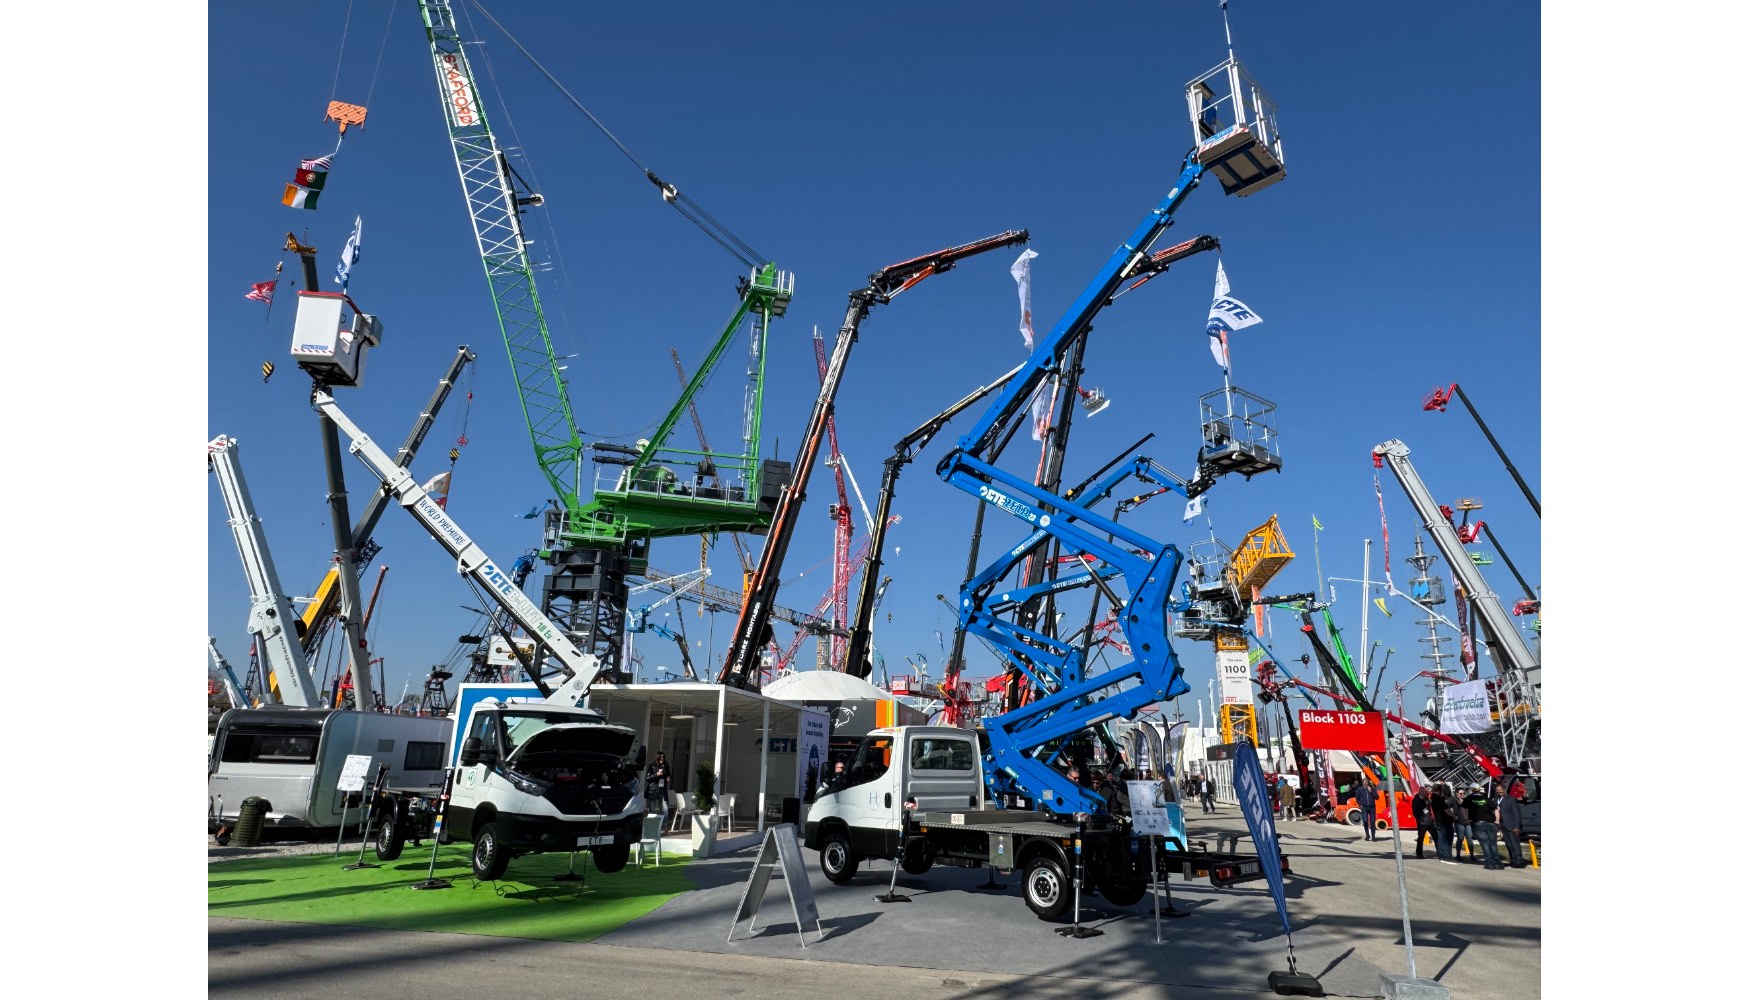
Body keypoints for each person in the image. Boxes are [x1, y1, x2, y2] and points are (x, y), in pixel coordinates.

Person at [1463, 783, 1503, 870]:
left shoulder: (1469, 798)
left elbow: (1463, 809)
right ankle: (1497, 863)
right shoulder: (1486, 798)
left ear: (1471, 789)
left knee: (1485, 844)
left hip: (1478, 824)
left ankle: (1489, 863)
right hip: (1490, 823)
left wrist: (1467, 818)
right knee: (1493, 844)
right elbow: (1496, 809)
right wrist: (1497, 821)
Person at [1496, 780, 1527, 868]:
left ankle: (1519, 862)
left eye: (1501, 790)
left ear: (1504, 790)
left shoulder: (1511, 799)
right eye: (1497, 790)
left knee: (1515, 844)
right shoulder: (1496, 799)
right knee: (1508, 845)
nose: (1499, 792)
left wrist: (1517, 827)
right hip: (1503, 826)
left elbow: (1517, 814)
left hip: (1512, 826)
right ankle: (1513, 860)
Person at [1431, 783, 1458, 863]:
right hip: (1444, 821)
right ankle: (1447, 856)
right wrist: (1454, 816)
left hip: (1438, 821)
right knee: (1447, 839)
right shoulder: (1439, 799)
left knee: (1441, 839)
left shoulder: (1433, 798)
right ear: (1439, 790)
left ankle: (1441, 855)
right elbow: (1446, 810)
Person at [1411, 785, 1436, 859]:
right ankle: (1419, 853)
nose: (1427, 793)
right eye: (1425, 792)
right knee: (1421, 838)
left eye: (1427, 792)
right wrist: (1419, 820)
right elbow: (1415, 812)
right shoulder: (1416, 799)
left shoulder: (1426, 799)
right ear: (1421, 792)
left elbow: (1428, 808)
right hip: (1422, 822)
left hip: (1429, 821)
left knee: (1436, 836)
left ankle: (1440, 852)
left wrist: (1432, 818)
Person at [645, 751, 672, 819]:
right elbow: (647, 778)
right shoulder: (652, 765)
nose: (662, 758)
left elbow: (668, 774)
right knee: (652, 809)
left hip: (662, 789)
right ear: (657, 757)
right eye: (661, 757)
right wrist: (656, 774)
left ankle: (664, 826)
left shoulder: (666, 765)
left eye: (663, 757)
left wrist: (668, 777)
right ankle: (652, 825)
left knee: (665, 808)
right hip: (653, 789)